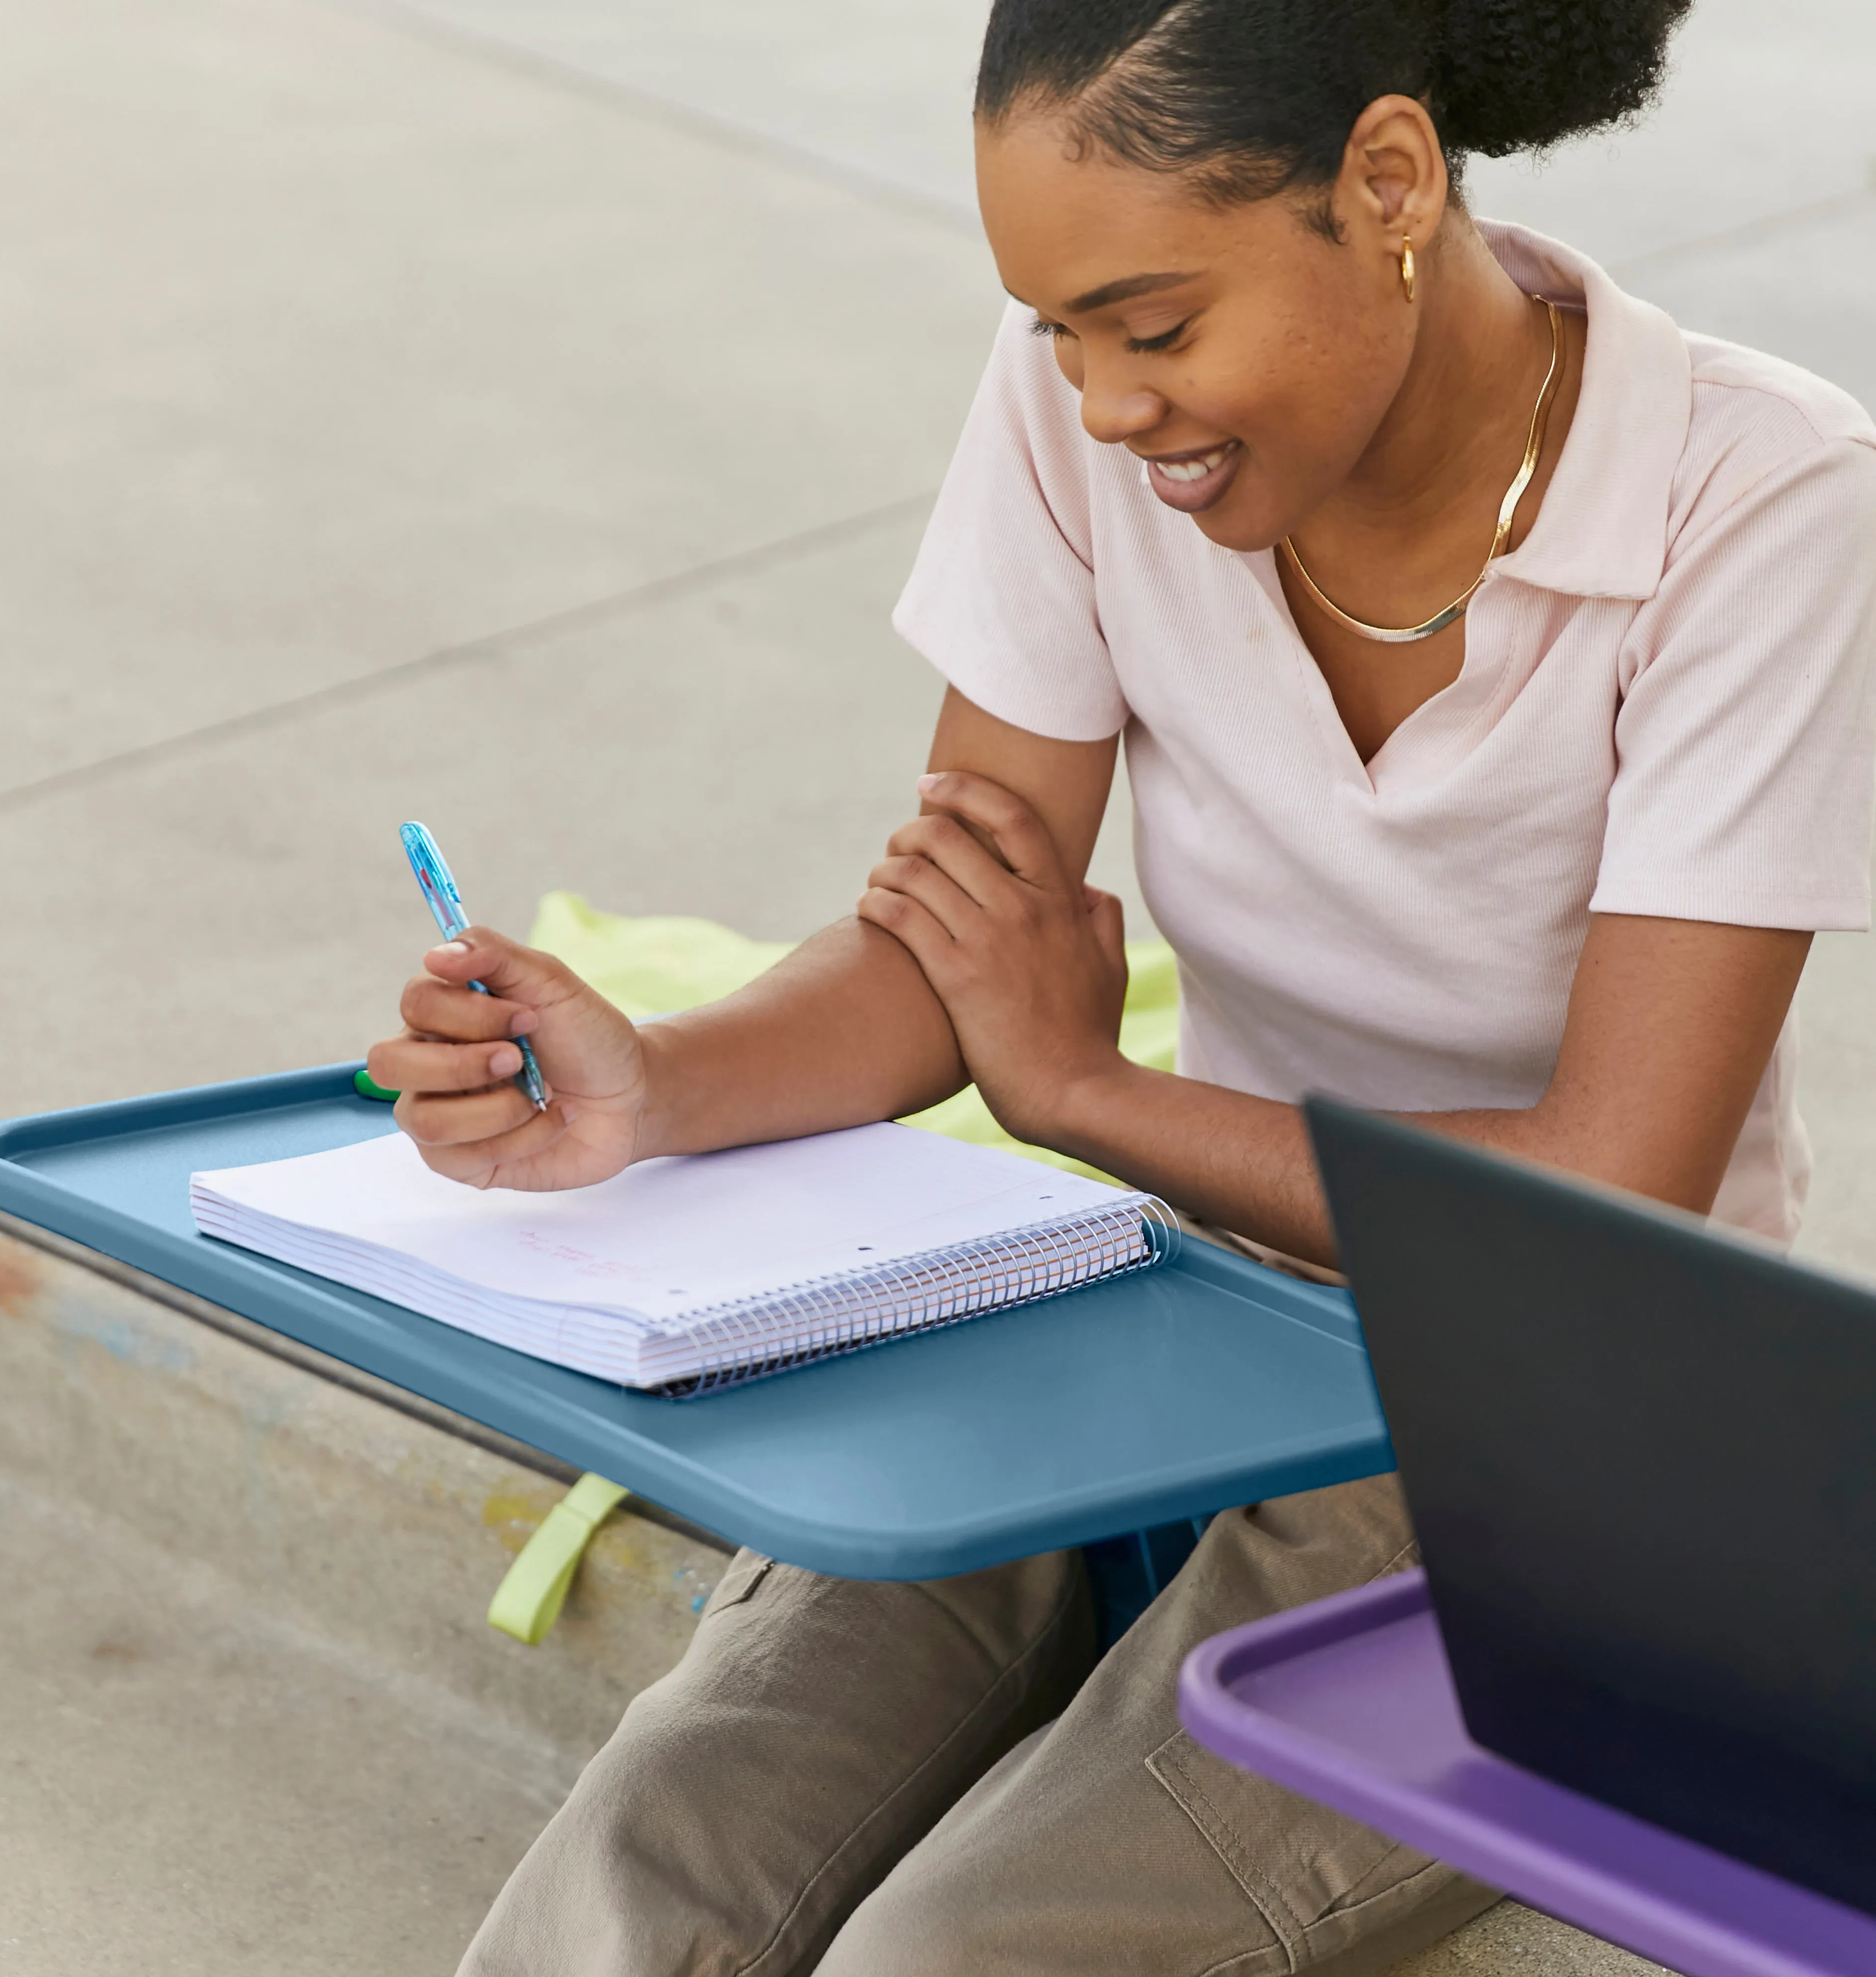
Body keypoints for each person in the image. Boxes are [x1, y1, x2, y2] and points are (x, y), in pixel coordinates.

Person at [371, 0, 1876, 1968]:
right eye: (1059, 331)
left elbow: (1602, 1192)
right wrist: (650, 1077)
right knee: (658, 1856)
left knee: (959, 1952)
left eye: (1152, 329)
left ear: (1391, 183)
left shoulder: (1760, 505)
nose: (1096, 401)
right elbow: (957, 946)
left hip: (1561, 1443)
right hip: (1169, 1318)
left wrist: (1081, 1094)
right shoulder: (1079, 416)